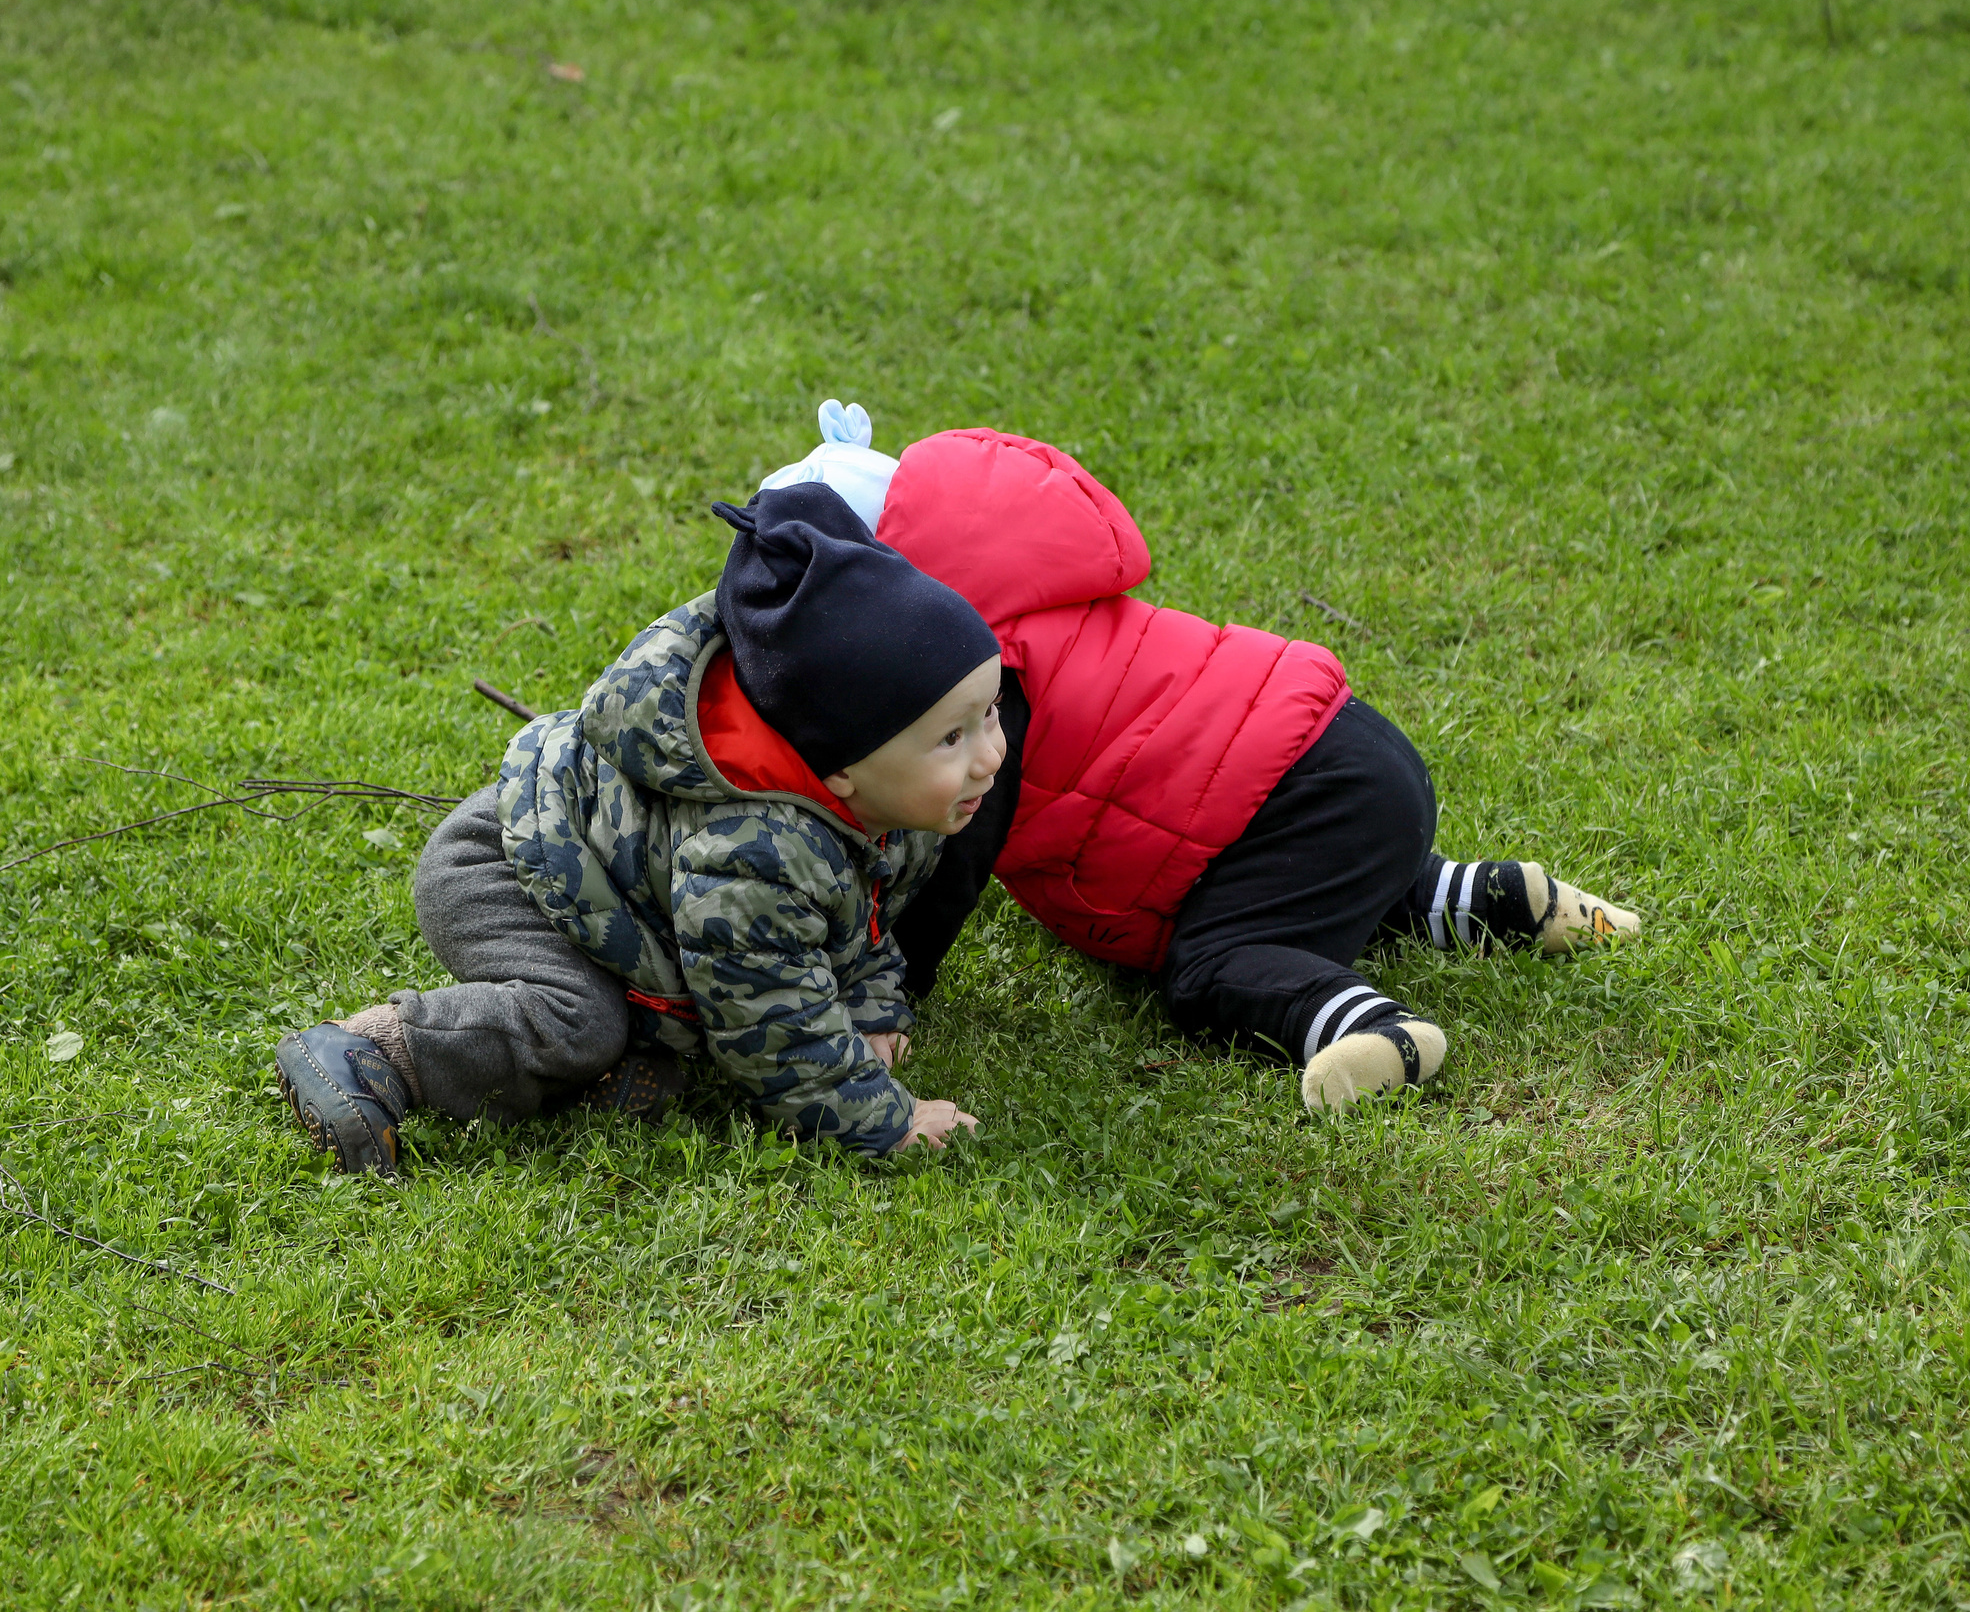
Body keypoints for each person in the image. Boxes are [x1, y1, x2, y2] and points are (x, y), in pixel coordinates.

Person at [758, 402, 1640, 1112]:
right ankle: (1486, 896)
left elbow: (957, 850)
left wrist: (890, 980)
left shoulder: (982, 681)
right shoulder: (1036, 608)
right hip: (1349, 761)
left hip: (1303, 788)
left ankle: (1377, 1030)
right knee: (1314, 879)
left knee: (1214, 962)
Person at [273, 480, 1002, 1174]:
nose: (989, 755)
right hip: (505, 868)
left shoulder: (899, 808)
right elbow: (774, 1025)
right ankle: (369, 1051)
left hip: (612, 899)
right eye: (952, 738)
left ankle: (614, 1068)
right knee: (580, 1020)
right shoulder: (756, 853)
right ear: (844, 771)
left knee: (633, 1024)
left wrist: (873, 1010)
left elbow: (862, 921)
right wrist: (888, 1120)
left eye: (990, 714)